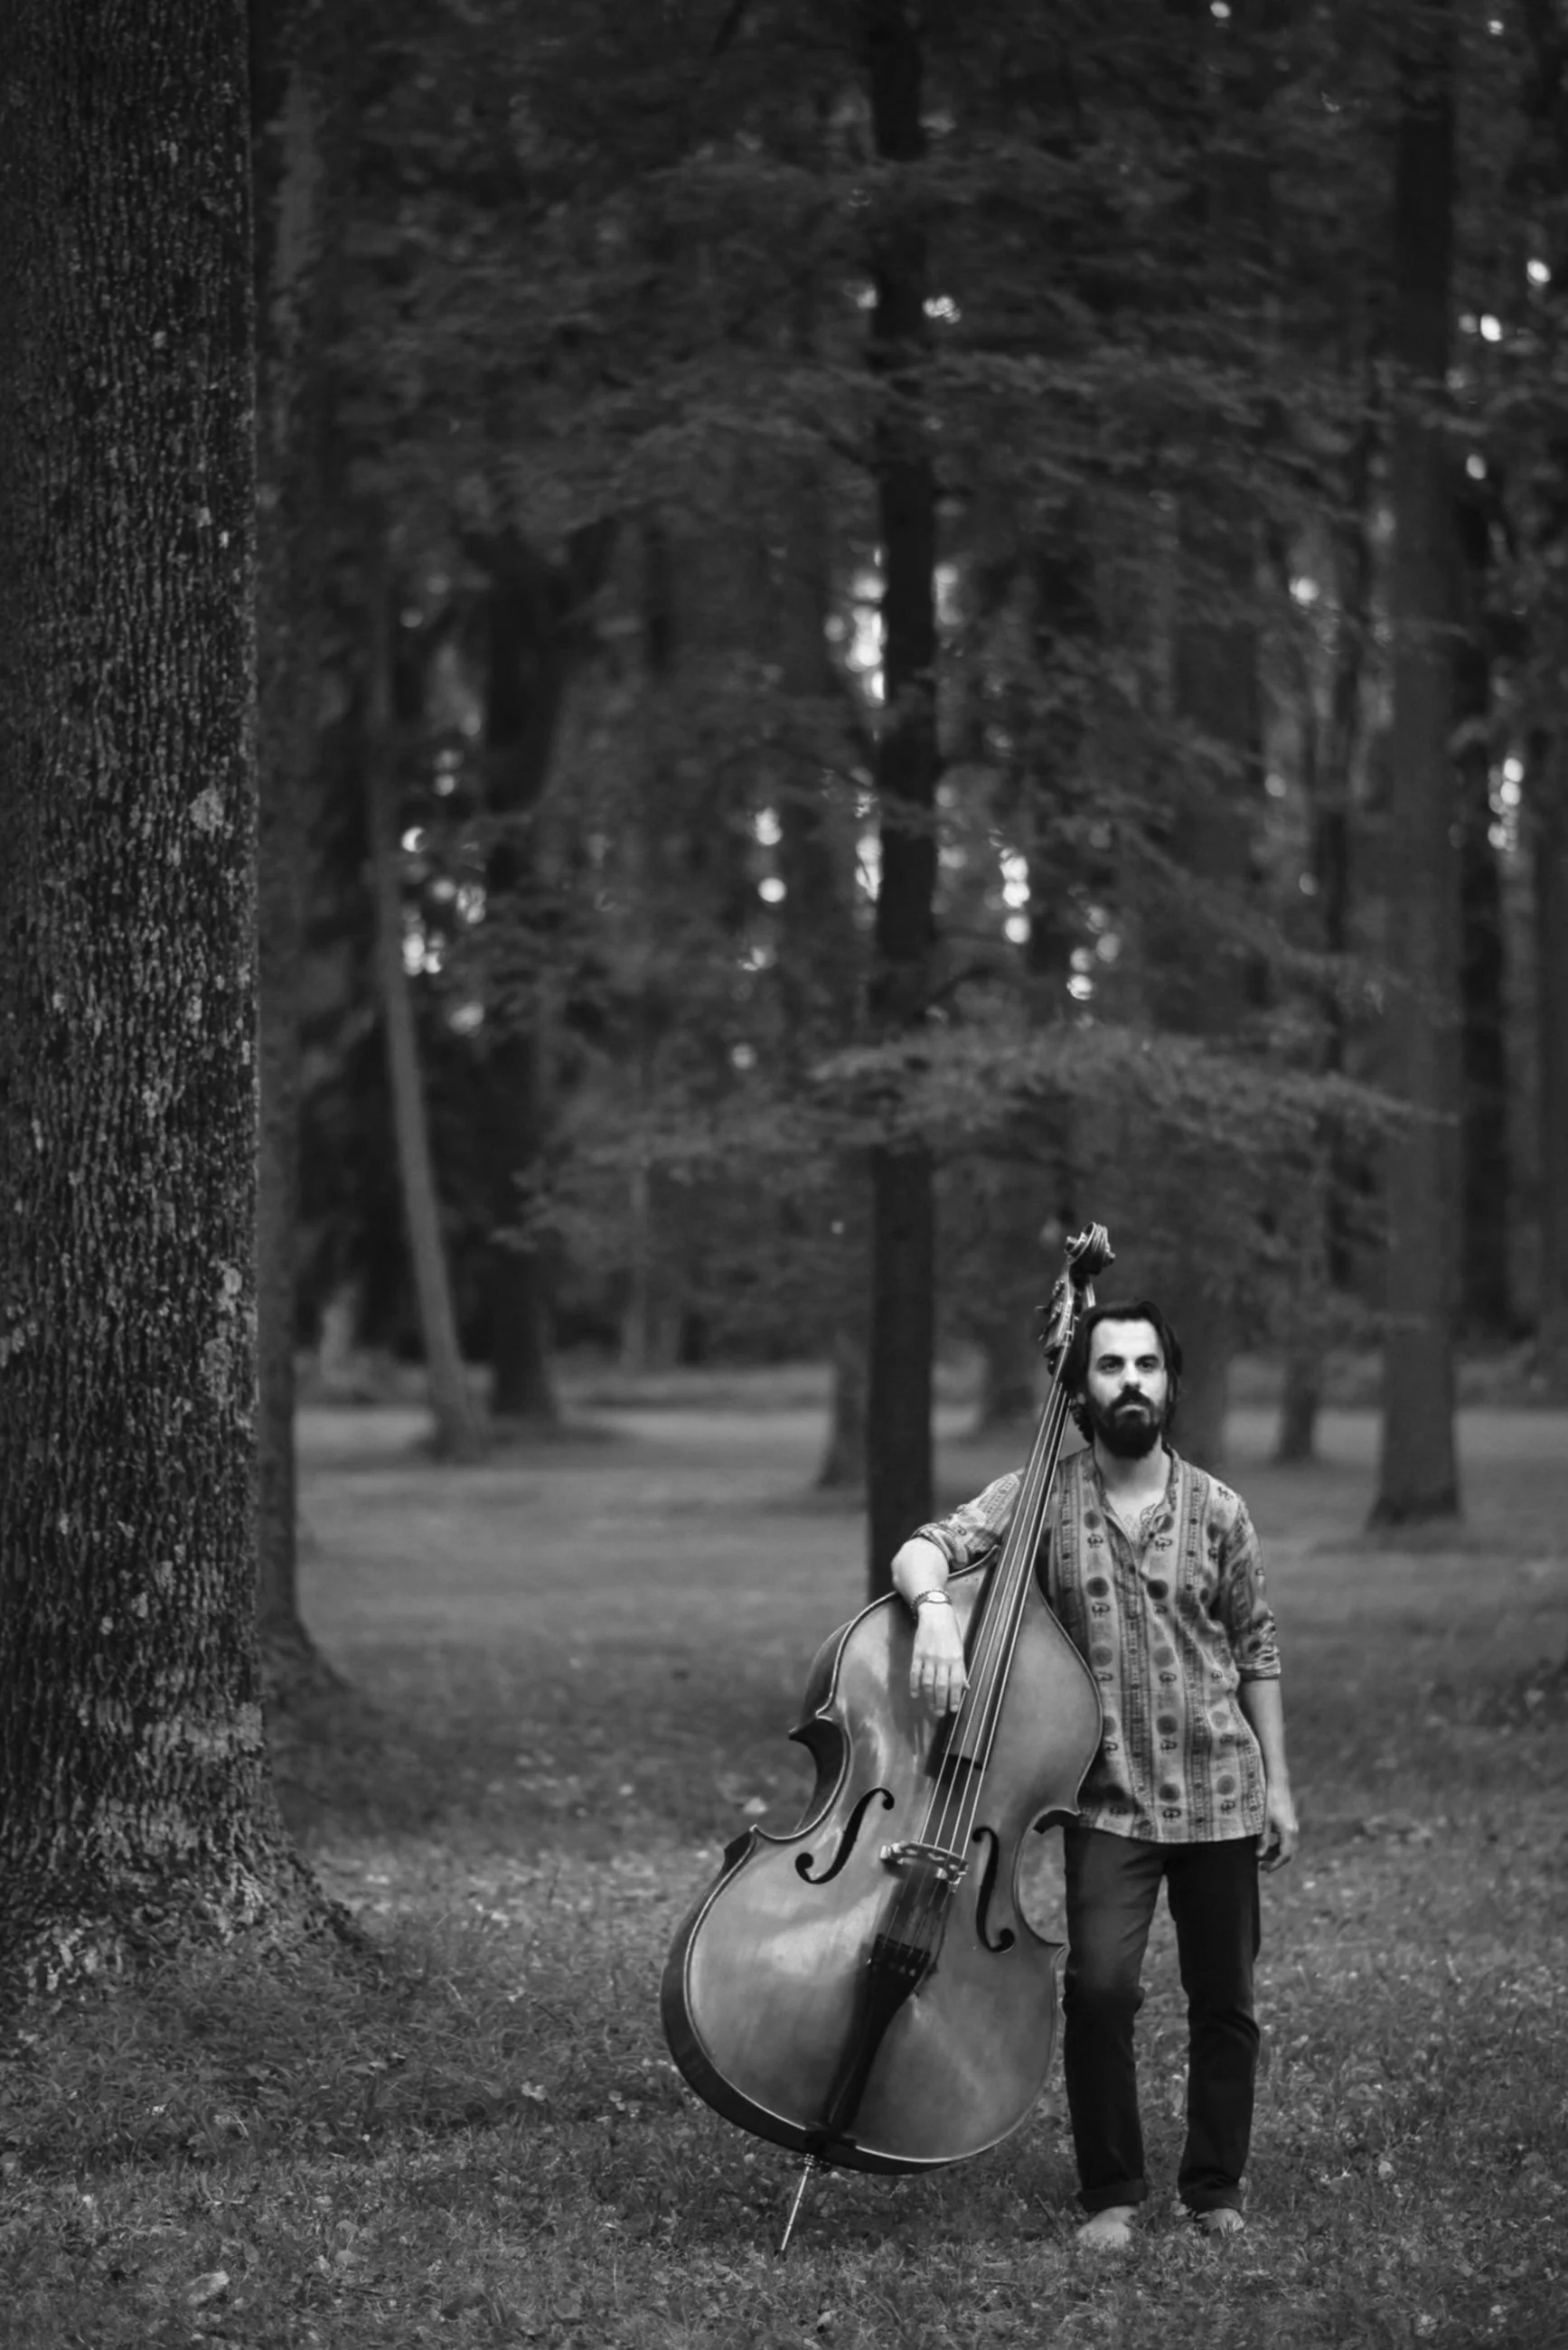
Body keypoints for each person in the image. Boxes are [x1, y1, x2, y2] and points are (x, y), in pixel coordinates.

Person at [890, 1299, 1298, 2249]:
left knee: (1224, 2001)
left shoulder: (1220, 1509)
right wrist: (937, 1611)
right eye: (1110, 1365)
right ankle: (1112, 2191)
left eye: (1146, 1364)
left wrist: (1278, 1784)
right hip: (1105, 1795)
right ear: (1080, 1389)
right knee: (1101, 1989)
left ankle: (1213, 2188)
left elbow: (1256, 1649)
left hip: (1218, 1790)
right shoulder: (1039, 1498)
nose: (1130, 1381)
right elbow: (925, 1547)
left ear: (1171, 1383)